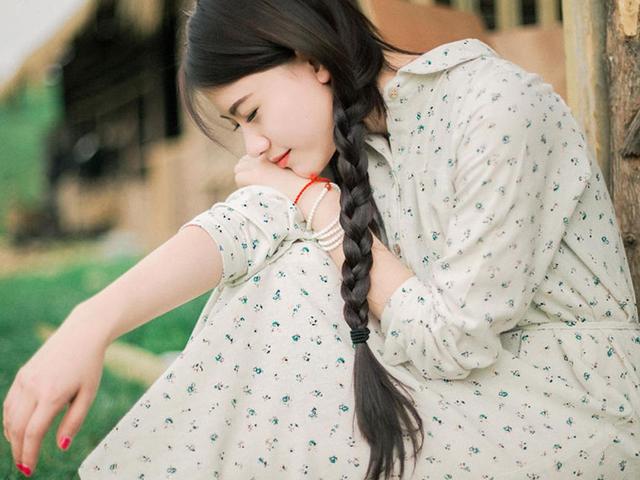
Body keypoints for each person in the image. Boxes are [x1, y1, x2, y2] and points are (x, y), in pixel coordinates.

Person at [3, 0, 639, 478]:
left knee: (296, 283)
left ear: (310, 58)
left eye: (250, 113)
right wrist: (91, 323)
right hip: (472, 396)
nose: (253, 146)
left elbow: (453, 341)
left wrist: (320, 208)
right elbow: (241, 227)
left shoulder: (495, 109)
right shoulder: (351, 146)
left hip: (569, 415)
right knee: (279, 274)